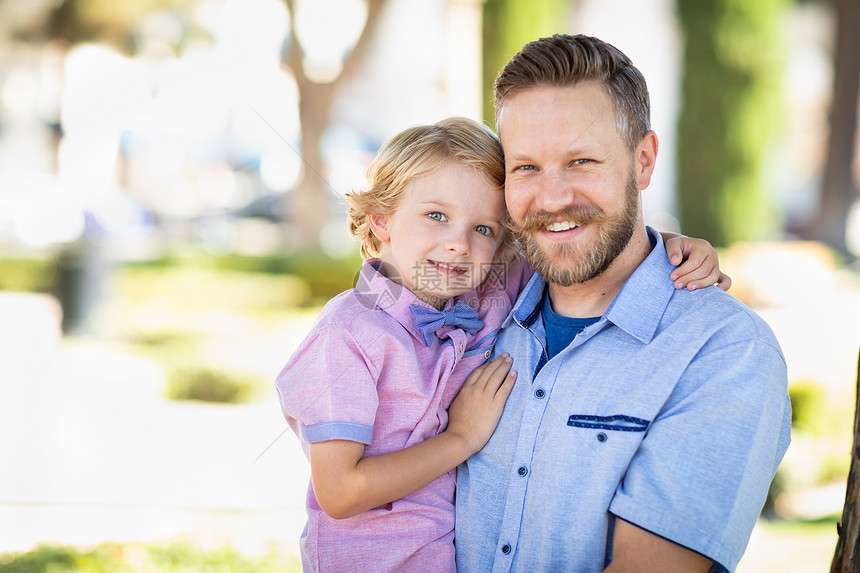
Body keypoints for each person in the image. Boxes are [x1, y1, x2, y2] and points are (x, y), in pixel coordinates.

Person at [276, 117, 727, 572]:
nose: (459, 244)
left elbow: (591, 251)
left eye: (484, 229)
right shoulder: (348, 335)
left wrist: (672, 245)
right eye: (436, 216)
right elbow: (340, 492)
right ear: (381, 219)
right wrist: (461, 438)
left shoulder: (488, 294)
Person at [454, 34, 792, 573]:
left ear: (643, 161)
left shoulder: (724, 352)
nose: (553, 197)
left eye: (581, 161)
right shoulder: (475, 315)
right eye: (526, 168)